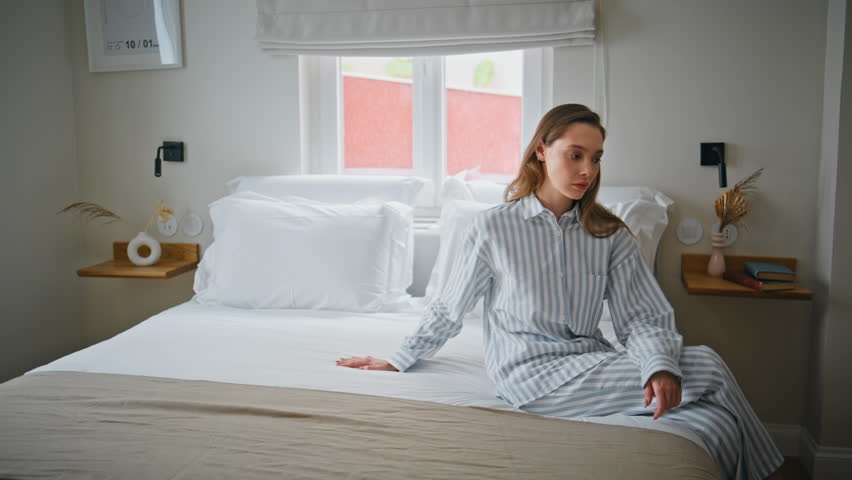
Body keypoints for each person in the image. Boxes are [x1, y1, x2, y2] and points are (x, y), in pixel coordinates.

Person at [337, 104, 784, 480]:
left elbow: (642, 318)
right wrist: (399, 358)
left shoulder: (610, 233)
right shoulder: (493, 228)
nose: (588, 170)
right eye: (575, 155)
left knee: (706, 403)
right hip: (529, 374)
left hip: (592, 359)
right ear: (541, 151)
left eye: (596, 158)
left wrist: (657, 365)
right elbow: (449, 308)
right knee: (706, 365)